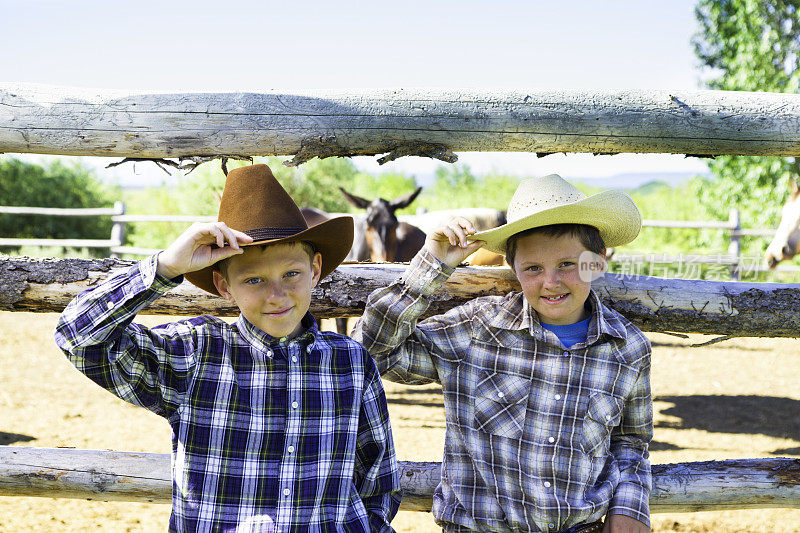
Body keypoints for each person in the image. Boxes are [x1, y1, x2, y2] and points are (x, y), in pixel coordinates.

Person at [55, 164, 401, 532]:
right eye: (253, 279)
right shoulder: (193, 354)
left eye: (291, 274)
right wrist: (167, 266)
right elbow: (77, 337)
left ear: (315, 269)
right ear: (224, 285)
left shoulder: (350, 363)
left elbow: (377, 480)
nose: (276, 295)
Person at [353, 174, 652, 533]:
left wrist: (630, 506)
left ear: (597, 260)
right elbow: (370, 352)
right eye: (533, 268)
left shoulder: (628, 348)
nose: (550, 282)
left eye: (567, 265)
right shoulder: (476, 329)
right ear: (513, 267)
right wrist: (432, 265)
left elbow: (631, 441)